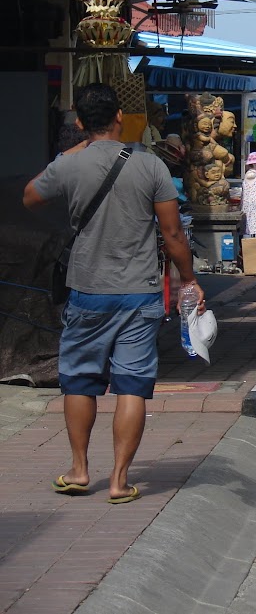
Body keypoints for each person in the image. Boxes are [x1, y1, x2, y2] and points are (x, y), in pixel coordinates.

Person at [22, 83, 205, 504]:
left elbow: (30, 196)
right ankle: (120, 481)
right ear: (120, 118)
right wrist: (188, 280)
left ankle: (80, 470)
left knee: (80, 382)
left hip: (87, 291)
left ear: (81, 122)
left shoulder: (70, 165)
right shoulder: (151, 167)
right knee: (132, 385)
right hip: (139, 294)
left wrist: (72, 153)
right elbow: (173, 232)